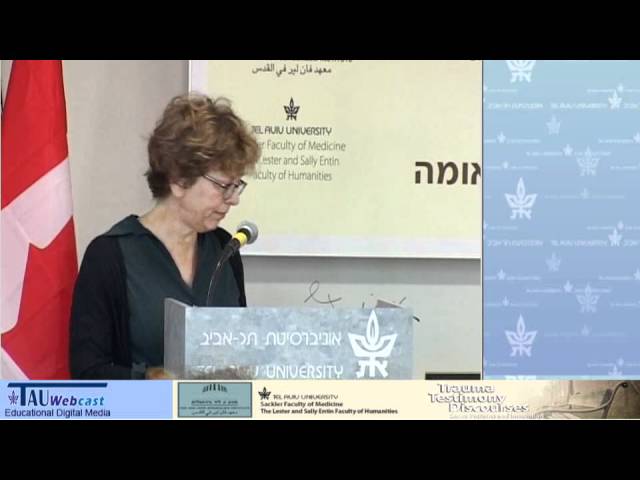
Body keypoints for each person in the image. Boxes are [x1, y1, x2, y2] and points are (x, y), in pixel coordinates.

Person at [70, 93, 260, 379]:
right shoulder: (109, 256)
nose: (233, 199)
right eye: (223, 186)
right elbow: (87, 372)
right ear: (179, 180)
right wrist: (150, 380)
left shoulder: (225, 248)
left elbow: (241, 349)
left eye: (237, 186)